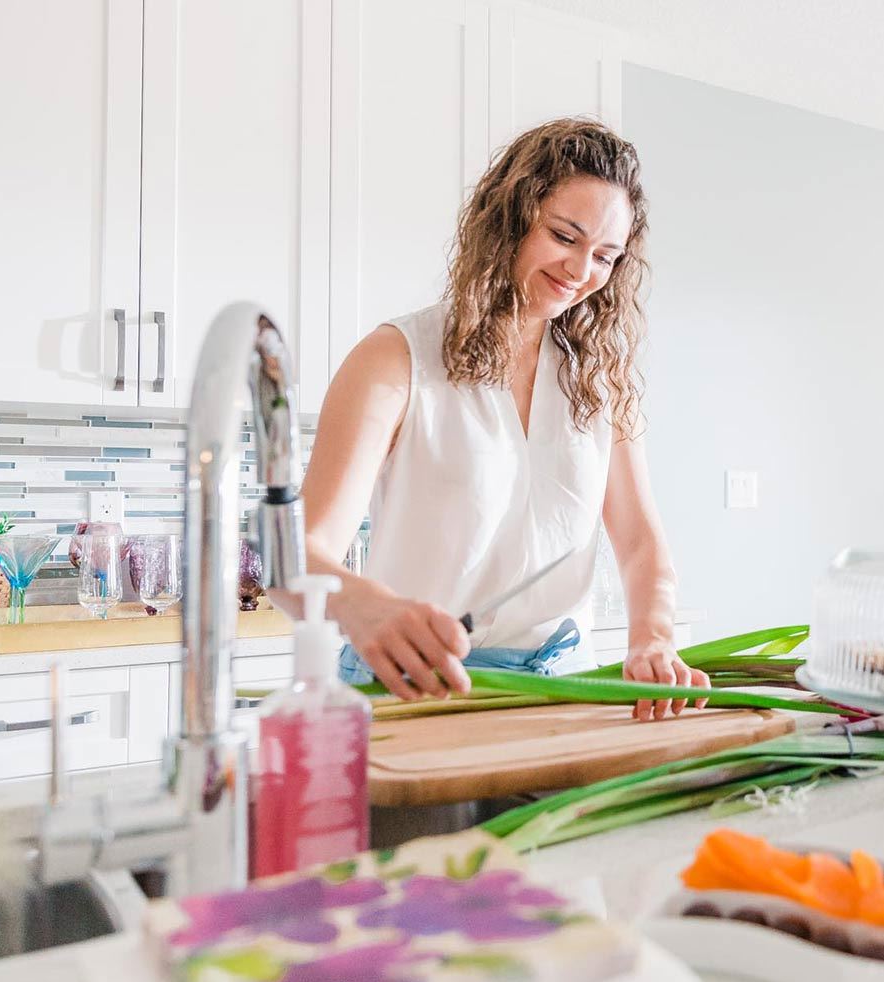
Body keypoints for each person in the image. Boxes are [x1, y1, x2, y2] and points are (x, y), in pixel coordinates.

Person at [296, 118, 706, 722]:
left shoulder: (600, 382)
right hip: (410, 693)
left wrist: (653, 635)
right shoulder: (396, 358)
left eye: (605, 256)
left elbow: (642, 545)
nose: (580, 271)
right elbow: (296, 554)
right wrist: (364, 606)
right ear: (511, 217)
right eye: (564, 236)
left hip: (558, 695)